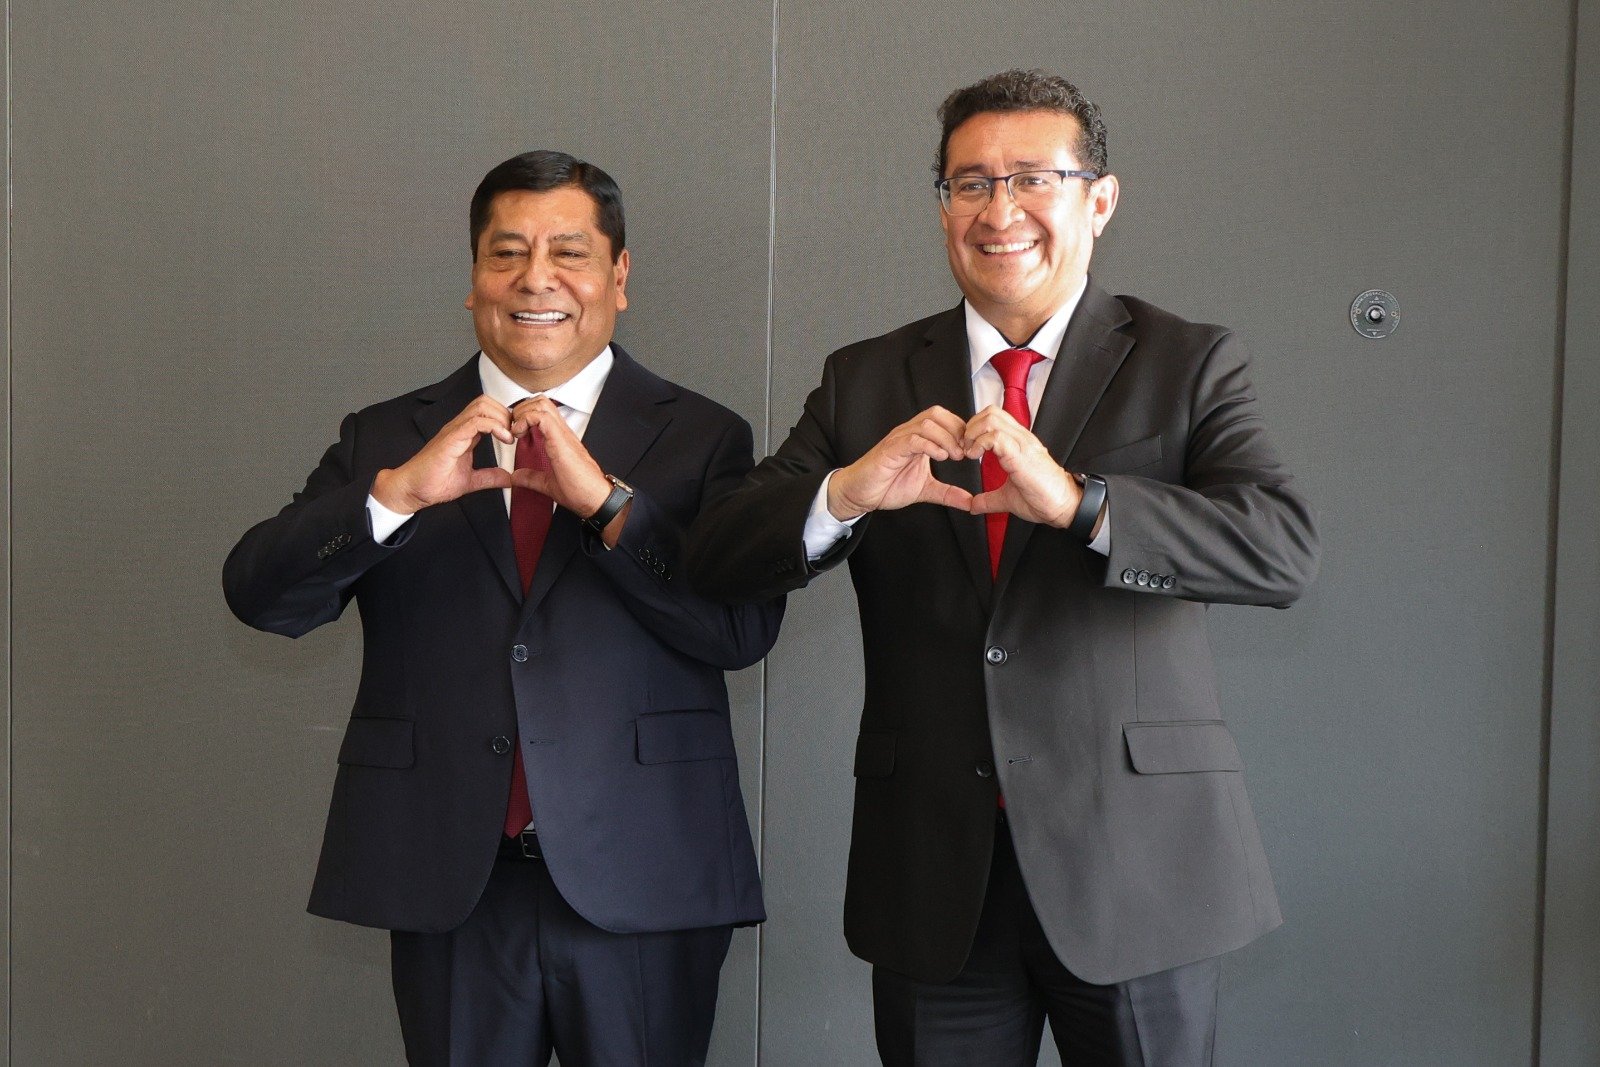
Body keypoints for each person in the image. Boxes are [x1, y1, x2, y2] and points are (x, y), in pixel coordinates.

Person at [687, 70, 1319, 1066]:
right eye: (970, 183)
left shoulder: (1187, 360)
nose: (999, 209)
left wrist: (1081, 504)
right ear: (942, 205)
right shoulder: (867, 378)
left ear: (1098, 200)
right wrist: (844, 492)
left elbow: (1278, 546)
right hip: (936, 877)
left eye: (1033, 178)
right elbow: (716, 553)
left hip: (1138, 873)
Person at [224, 150, 783, 1066]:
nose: (536, 278)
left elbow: (739, 628)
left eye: (570, 252)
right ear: (474, 277)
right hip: (451, 878)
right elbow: (260, 595)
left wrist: (608, 506)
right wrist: (392, 499)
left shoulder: (704, 436)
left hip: (644, 873)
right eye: (508, 253)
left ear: (619, 276)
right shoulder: (389, 436)